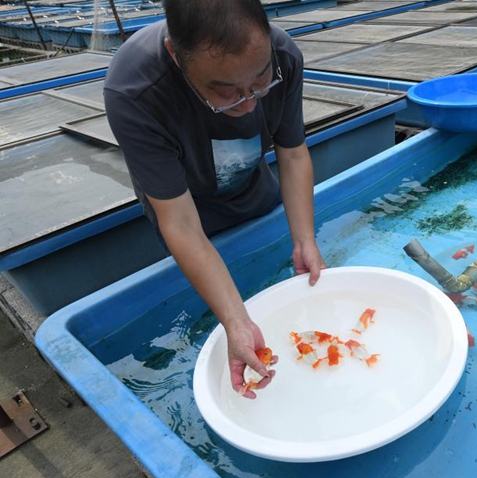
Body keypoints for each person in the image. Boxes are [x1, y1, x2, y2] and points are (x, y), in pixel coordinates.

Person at [104, 0, 325, 399]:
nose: (249, 105)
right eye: (225, 94)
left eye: (260, 83)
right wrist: (235, 321)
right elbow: (181, 223)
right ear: (176, 54)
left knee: (271, 273)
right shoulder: (134, 91)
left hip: (254, 189)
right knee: (212, 312)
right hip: (186, 211)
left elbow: (292, 153)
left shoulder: (285, 55)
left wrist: (304, 239)